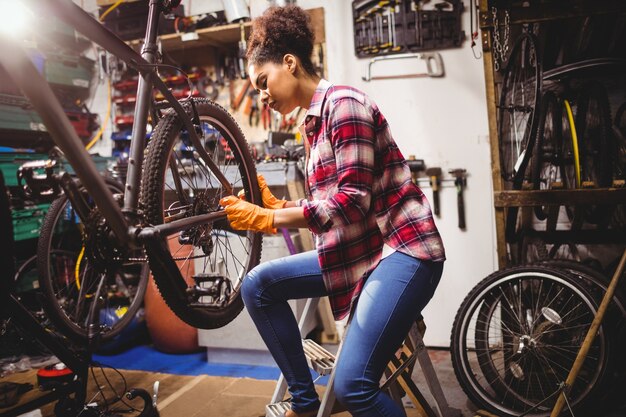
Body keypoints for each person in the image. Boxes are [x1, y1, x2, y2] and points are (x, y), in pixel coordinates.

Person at [219, 5, 446, 417]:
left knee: (354, 386)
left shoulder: (343, 105)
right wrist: (282, 207)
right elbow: (332, 205)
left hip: (403, 252)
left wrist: (269, 218)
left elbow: (351, 201)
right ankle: (305, 403)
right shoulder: (312, 123)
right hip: (362, 251)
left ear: (289, 63)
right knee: (257, 285)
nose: (263, 96)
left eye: (264, 82)